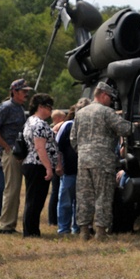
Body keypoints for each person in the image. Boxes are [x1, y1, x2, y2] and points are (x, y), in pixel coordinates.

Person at [71, 82, 132, 241]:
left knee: (84, 196)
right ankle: (100, 233)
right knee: (103, 196)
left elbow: (73, 139)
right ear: (103, 95)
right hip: (103, 161)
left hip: (83, 160)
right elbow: (125, 129)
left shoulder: (80, 113)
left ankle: (84, 232)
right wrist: (134, 124)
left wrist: (84, 151)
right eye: (110, 98)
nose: (111, 101)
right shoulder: (106, 112)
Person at [0, 78, 33, 235]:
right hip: (11, 153)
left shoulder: (20, 107)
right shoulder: (6, 107)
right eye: (24, 91)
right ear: (14, 92)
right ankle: (6, 226)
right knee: (12, 189)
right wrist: (6, 147)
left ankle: (10, 224)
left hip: (20, 153)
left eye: (28, 91)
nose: (26, 94)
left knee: (16, 189)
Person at [20, 93, 60, 237]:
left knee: (33, 199)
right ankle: (31, 232)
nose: (51, 111)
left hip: (31, 164)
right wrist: (49, 167)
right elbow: (40, 147)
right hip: (38, 165)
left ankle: (31, 230)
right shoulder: (40, 124)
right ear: (41, 107)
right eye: (49, 107)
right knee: (35, 200)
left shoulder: (30, 121)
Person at [56, 98, 91, 235]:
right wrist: (58, 165)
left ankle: (77, 228)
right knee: (65, 201)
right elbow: (58, 148)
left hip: (85, 171)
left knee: (82, 203)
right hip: (69, 171)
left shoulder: (91, 127)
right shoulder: (67, 126)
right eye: (80, 110)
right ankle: (63, 229)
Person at [47, 109, 68, 227]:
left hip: (54, 163)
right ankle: (53, 219)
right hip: (57, 163)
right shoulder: (56, 129)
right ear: (59, 119)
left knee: (55, 191)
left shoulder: (51, 130)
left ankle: (53, 219)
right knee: (56, 191)